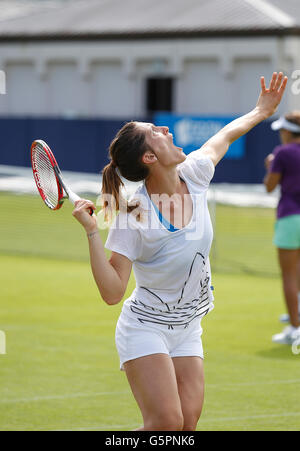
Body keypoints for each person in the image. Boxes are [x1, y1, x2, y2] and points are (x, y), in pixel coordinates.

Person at [73, 72, 287, 431]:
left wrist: (261, 110)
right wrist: (93, 233)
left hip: (188, 325)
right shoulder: (134, 213)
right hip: (146, 326)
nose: (167, 131)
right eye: (156, 133)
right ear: (149, 157)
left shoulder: (196, 174)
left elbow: (224, 136)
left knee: (187, 423)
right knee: (166, 422)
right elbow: (112, 292)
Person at [264, 111, 300, 345]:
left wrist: (270, 166)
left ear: (287, 132)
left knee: (289, 275)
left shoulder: (282, 153)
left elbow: (270, 186)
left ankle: (295, 328)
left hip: (290, 216)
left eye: (281, 130)